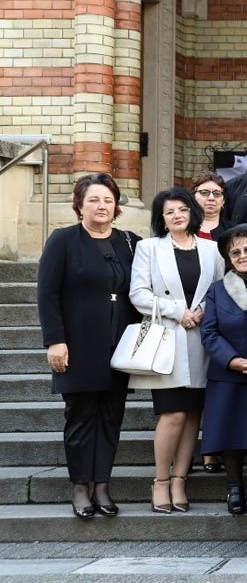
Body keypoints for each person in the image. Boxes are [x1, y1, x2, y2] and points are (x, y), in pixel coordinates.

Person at [38, 173, 141, 519]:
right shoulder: (63, 240)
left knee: (111, 417)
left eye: (108, 200)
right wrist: (55, 340)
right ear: (79, 205)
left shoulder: (130, 242)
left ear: (116, 207)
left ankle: (102, 486)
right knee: (81, 417)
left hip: (120, 345)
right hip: (78, 344)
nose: (102, 206)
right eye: (94, 199)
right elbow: (47, 293)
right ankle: (80, 487)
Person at [129, 188, 224, 515]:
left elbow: (220, 290)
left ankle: (181, 479)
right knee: (173, 414)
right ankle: (160, 481)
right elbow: (138, 293)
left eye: (182, 209)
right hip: (168, 338)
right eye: (169, 212)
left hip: (200, 341)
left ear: (192, 213)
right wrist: (176, 311)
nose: (177, 215)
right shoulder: (148, 248)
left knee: (193, 416)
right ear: (162, 218)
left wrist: (199, 310)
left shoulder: (212, 250)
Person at [200, 224, 247, 515]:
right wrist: (233, 360)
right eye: (236, 252)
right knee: (229, 429)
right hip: (227, 374)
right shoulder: (217, 290)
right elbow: (209, 333)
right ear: (228, 258)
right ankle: (235, 488)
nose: (243, 255)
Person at [192, 171, 232, 241]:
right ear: (193, 197)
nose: (211, 198)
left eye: (217, 194)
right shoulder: (182, 228)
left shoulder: (234, 232)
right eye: (204, 193)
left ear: (223, 201)